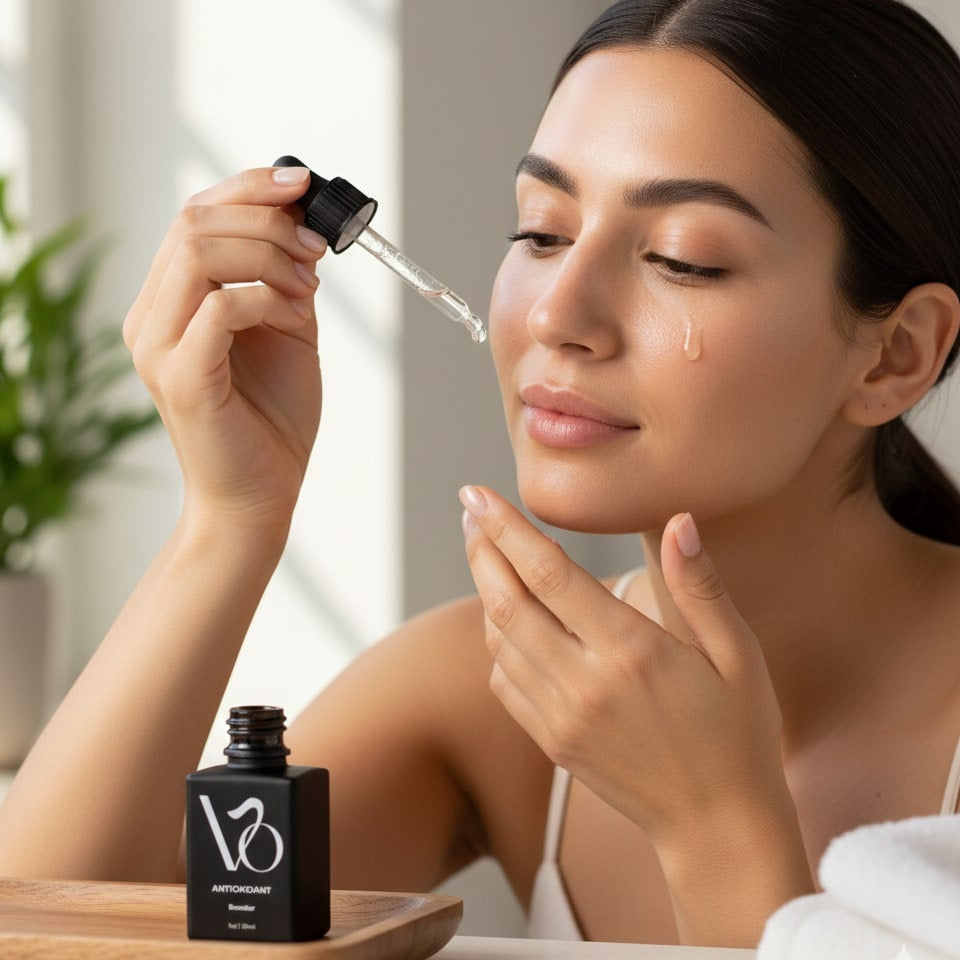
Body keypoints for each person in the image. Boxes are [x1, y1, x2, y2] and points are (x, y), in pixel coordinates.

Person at [2, 0, 960, 948]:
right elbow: (54, 929)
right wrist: (228, 518)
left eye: (682, 258)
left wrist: (713, 825)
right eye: (541, 233)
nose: (555, 314)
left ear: (896, 355)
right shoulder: (492, 693)